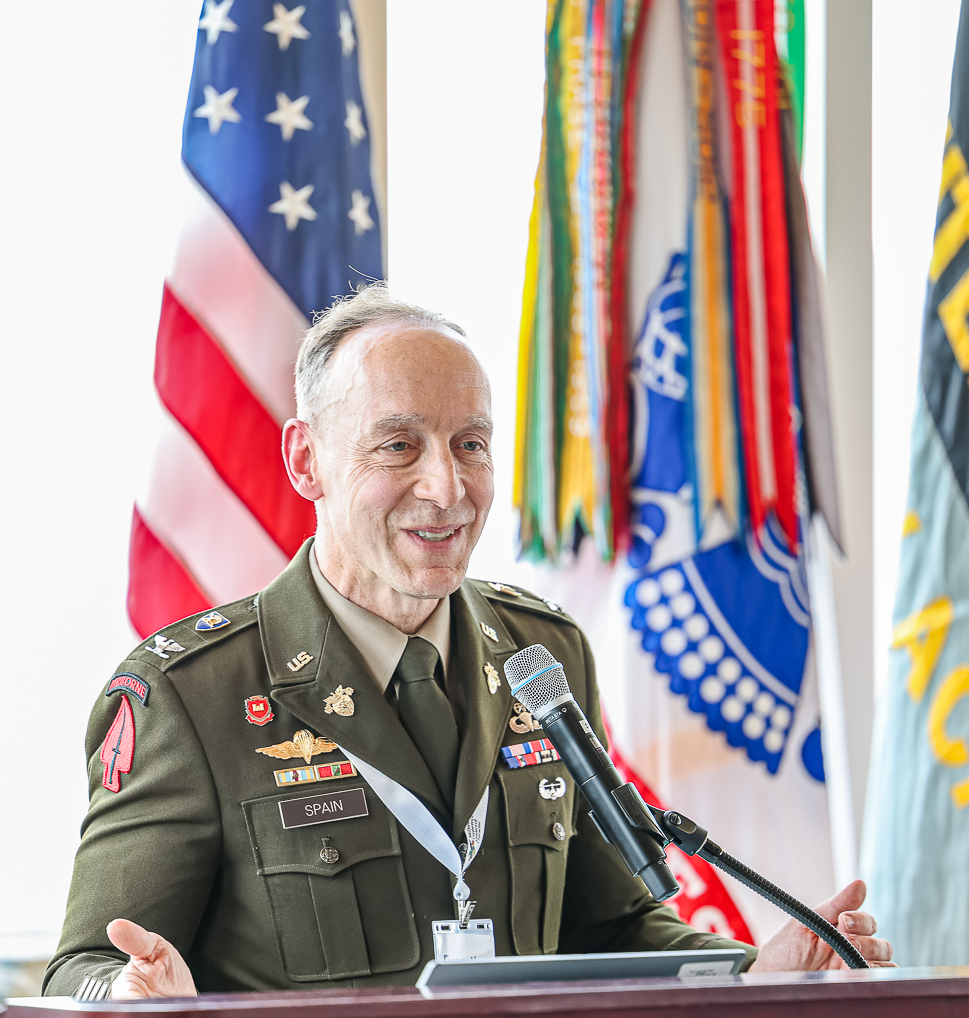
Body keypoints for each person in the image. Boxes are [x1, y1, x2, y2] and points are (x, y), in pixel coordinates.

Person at [43, 285, 894, 999]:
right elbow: (77, 970)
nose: (446, 486)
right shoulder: (191, 697)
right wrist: (128, 998)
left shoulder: (542, 652)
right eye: (399, 445)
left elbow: (611, 924)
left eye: (472, 445)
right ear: (307, 463)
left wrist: (754, 974)